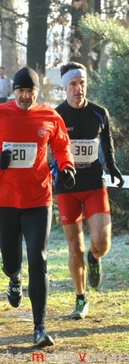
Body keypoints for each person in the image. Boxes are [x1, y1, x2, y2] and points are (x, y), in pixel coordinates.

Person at [0, 67, 75, 347]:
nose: (25, 96)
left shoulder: (49, 116)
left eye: (30, 91)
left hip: (39, 200)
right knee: (12, 261)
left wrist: (66, 166)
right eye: (21, 90)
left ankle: (39, 326)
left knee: (38, 260)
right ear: (13, 90)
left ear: (37, 92)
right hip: (4, 200)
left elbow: (62, 146)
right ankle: (13, 278)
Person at [54, 61, 124, 320]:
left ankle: (94, 259)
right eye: (73, 84)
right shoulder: (56, 114)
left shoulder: (98, 112)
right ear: (65, 87)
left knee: (101, 243)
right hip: (67, 186)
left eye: (82, 83)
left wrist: (113, 166)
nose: (78, 88)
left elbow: (106, 141)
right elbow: (49, 148)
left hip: (94, 184)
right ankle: (81, 299)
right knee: (74, 246)